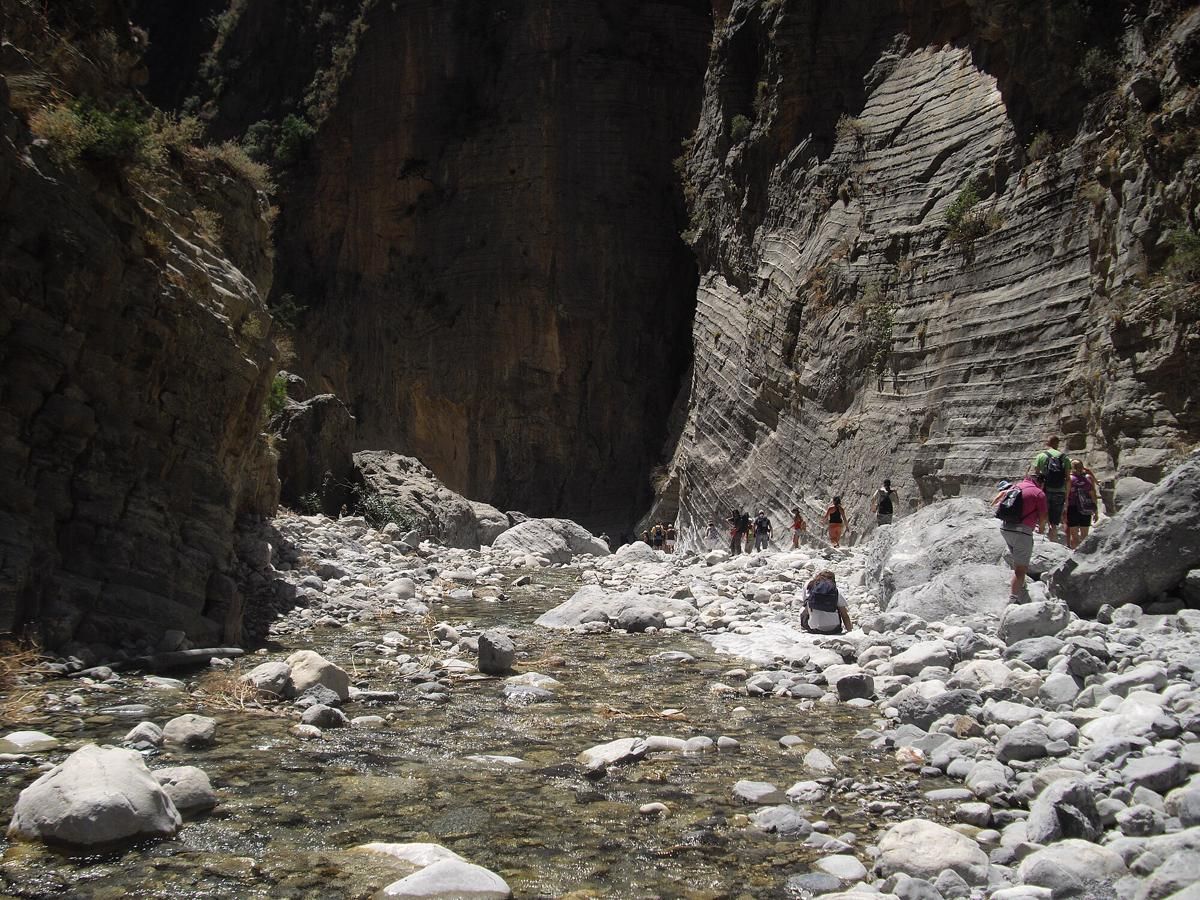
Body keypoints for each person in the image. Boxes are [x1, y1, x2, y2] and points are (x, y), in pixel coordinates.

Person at [993, 473, 1049, 601]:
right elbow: (1043, 516)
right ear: (1041, 483)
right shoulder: (1038, 493)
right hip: (1022, 532)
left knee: (1017, 560)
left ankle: (1021, 586)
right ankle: (1013, 599)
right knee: (1021, 569)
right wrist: (1041, 529)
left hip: (1005, 528)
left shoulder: (1016, 487)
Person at [1032, 436, 1070, 544]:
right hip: (1060, 491)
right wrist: (1067, 496)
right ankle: (1053, 540)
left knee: (1042, 517)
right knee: (1054, 521)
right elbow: (1068, 478)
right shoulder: (1064, 458)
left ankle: (1041, 542)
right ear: (1058, 443)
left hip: (1045, 491)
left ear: (1047, 443)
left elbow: (1036, 475)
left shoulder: (1041, 456)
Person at [800, 570, 853, 635]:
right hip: (834, 629)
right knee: (839, 607)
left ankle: (804, 627)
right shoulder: (835, 592)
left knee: (804, 608)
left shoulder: (810, 588)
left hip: (815, 629)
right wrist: (850, 631)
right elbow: (844, 615)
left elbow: (805, 602)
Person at [1065, 460, 1099, 549]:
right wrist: (1096, 512)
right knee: (1084, 536)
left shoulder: (1070, 479)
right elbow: (1093, 496)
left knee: (1074, 536)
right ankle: (1083, 553)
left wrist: (1064, 510)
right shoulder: (1087, 479)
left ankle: (1074, 554)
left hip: (1073, 508)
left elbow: (1066, 496)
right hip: (1086, 508)